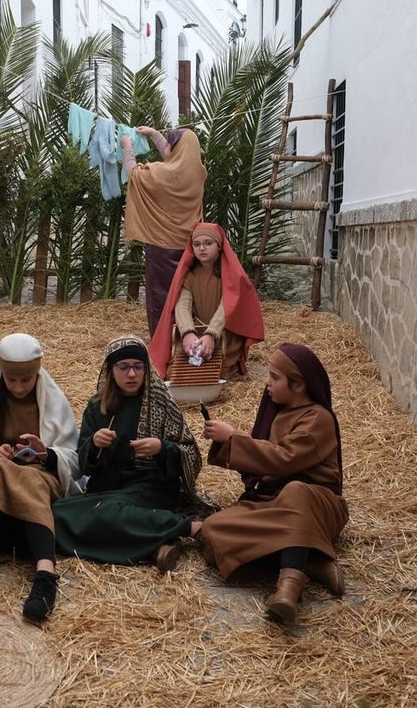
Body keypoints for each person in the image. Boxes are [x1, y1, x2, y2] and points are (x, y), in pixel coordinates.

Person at [198, 343, 347, 625]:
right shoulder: (279, 411)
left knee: (295, 491)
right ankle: (313, 561)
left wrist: (233, 438)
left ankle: (288, 591)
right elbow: (264, 466)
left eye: (275, 377)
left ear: (299, 385)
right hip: (274, 502)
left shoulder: (318, 419)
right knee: (212, 530)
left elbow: (282, 459)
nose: (268, 383)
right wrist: (225, 441)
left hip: (316, 506)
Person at [0, 333, 79, 622]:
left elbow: (72, 456)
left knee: (28, 476)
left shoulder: (52, 402)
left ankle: (45, 576)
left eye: (26, 380)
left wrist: (44, 453)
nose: (19, 387)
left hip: (38, 477)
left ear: (37, 373)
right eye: (12, 380)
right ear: (2, 374)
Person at [53, 335, 203, 570]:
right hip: (108, 489)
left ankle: (186, 527)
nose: (131, 374)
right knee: (58, 513)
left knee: (107, 514)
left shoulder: (162, 404)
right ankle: (157, 546)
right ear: (111, 370)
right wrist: (94, 445)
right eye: (123, 367)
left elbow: (191, 455)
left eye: (138, 367)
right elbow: (83, 466)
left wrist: (162, 448)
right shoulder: (97, 407)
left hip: (150, 489)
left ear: (146, 368)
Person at [148, 222, 264, 381]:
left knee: (218, 373)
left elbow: (228, 307)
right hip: (196, 333)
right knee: (174, 373)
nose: (202, 248)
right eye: (197, 244)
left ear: (219, 246)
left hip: (224, 335)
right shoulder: (189, 275)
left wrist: (211, 334)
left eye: (208, 243)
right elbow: (182, 306)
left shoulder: (231, 274)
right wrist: (188, 332)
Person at [120, 125, 207, 336]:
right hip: (190, 246)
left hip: (161, 246)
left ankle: (162, 342)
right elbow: (174, 160)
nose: (166, 146)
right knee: (187, 296)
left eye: (169, 143)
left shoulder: (160, 173)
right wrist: (156, 135)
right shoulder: (199, 173)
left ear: (176, 148)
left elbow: (134, 174)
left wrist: (126, 148)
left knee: (161, 297)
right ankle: (189, 338)